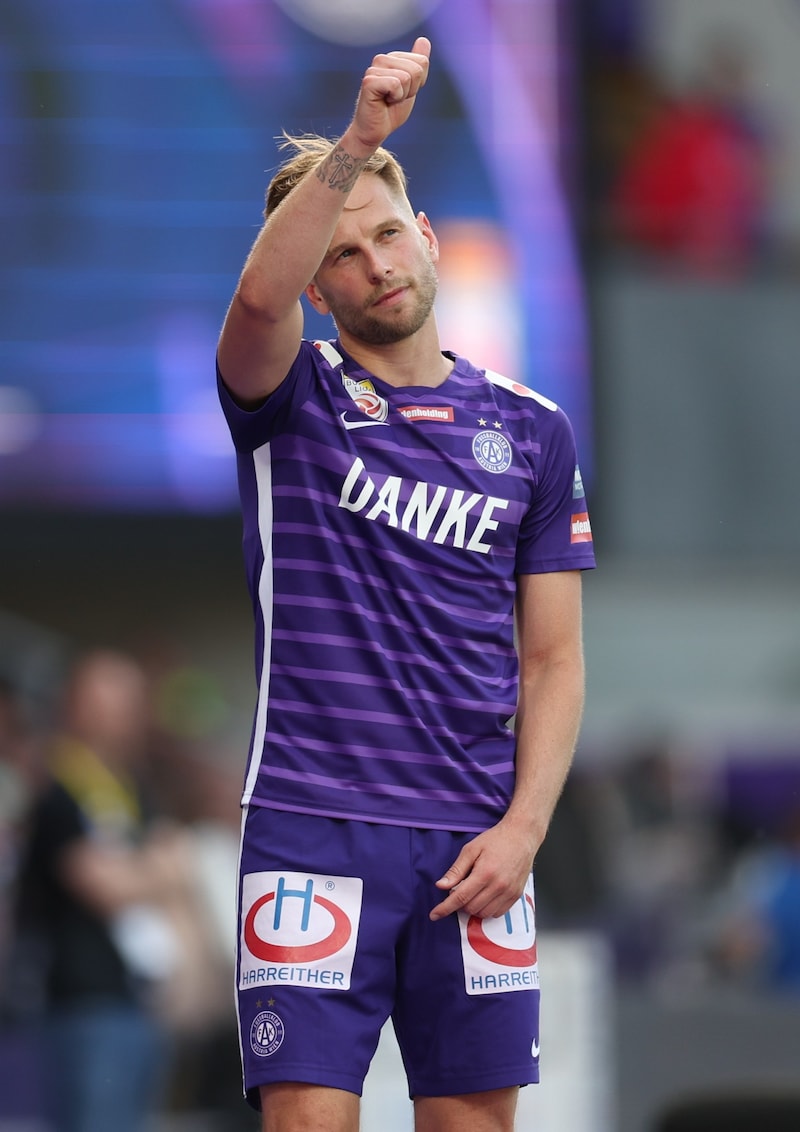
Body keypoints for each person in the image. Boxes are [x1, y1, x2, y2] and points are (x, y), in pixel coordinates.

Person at [217, 37, 595, 1132]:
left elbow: (554, 657)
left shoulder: (532, 430)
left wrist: (524, 827)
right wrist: (360, 144)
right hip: (310, 829)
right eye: (344, 254)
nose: (375, 262)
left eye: (388, 233)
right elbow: (252, 298)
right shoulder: (290, 396)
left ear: (426, 238)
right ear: (322, 289)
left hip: (477, 842)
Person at [13, 648, 191, 1132]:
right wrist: (155, 871)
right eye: (105, 696)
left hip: (139, 999)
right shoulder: (59, 784)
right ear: (74, 703)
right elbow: (105, 885)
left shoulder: (133, 786)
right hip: (84, 1001)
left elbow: (177, 863)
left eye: (129, 697)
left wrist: (143, 872)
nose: (119, 710)